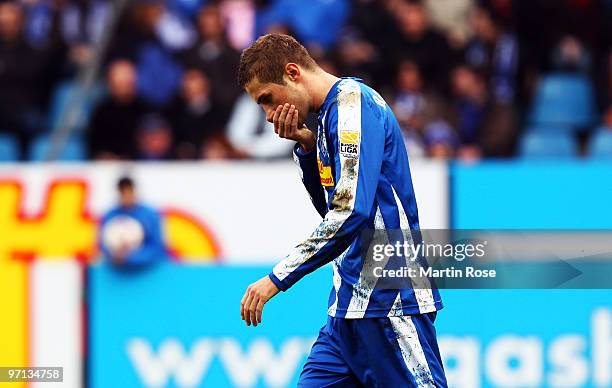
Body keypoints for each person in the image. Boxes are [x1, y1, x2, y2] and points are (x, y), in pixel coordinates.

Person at [237, 34, 446, 387]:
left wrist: (276, 279)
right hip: (347, 309)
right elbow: (330, 211)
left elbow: (349, 214)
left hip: (390, 302)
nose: (270, 115)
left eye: (268, 100)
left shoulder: (353, 106)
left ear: (293, 72)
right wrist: (306, 147)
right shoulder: (326, 121)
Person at [99, 176, 166, 266]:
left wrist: (130, 257)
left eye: (129, 192)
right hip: (117, 273)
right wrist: (113, 254)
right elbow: (102, 246)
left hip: (148, 271)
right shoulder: (110, 216)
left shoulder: (150, 215)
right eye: (123, 193)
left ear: (134, 191)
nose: (126, 196)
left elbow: (157, 248)